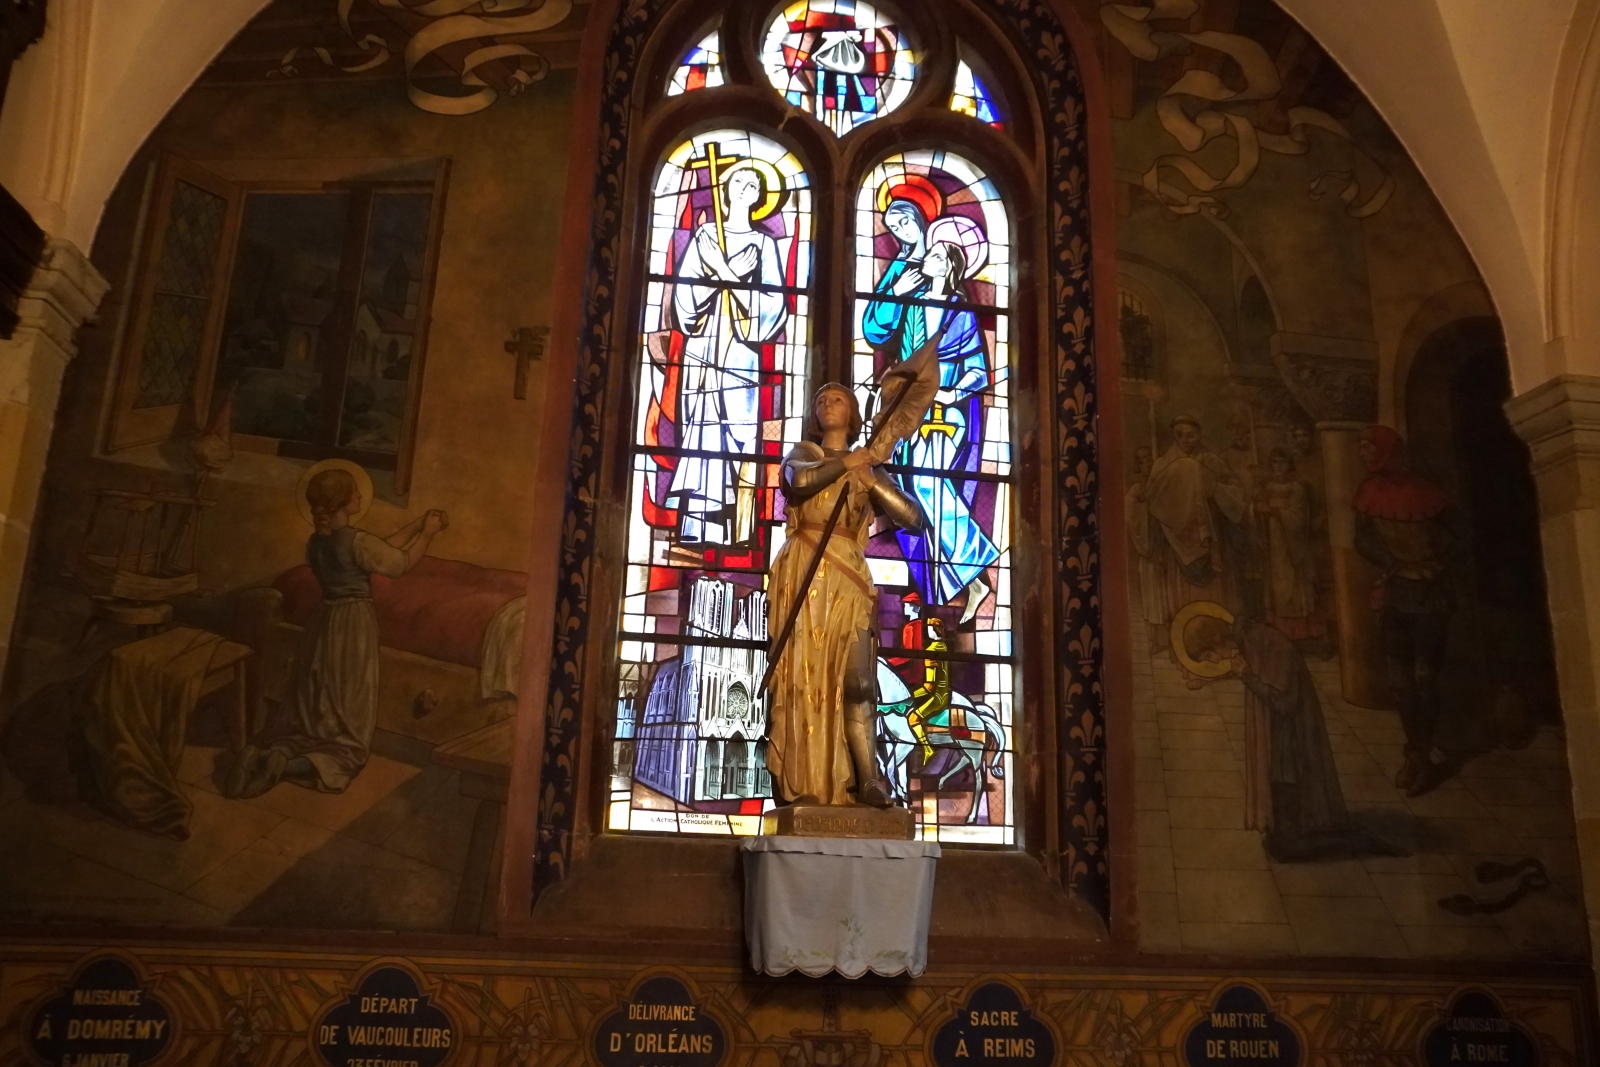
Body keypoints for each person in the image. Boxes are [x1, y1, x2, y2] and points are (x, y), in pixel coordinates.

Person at [225, 468, 448, 798]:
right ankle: (286, 767)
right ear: (344, 502)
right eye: (355, 492)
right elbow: (398, 564)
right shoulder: (357, 541)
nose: (360, 496)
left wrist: (416, 525)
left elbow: (379, 550)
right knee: (348, 731)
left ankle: (267, 753)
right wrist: (428, 534)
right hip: (353, 625)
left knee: (314, 705)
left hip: (323, 620)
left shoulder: (318, 542)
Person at [765, 384, 924, 807]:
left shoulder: (867, 465)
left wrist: (871, 478)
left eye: (837, 398)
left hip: (848, 575)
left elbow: (913, 519)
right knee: (803, 677)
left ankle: (867, 779)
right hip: (804, 570)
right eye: (820, 399)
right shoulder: (804, 451)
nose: (826, 402)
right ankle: (804, 784)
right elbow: (799, 480)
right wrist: (848, 463)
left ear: (853, 414)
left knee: (858, 681)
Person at [1182, 607, 1404, 862]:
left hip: (1291, 748)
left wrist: (1246, 675)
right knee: (1277, 842)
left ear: (1219, 639)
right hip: (1280, 745)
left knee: (1286, 848)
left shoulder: (1267, 642)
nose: (1213, 662)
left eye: (1209, 655)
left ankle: (1357, 841)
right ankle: (1329, 833)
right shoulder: (1249, 642)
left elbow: (1284, 703)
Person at [868, 222, 1000, 622]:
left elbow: (977, 370)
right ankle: (958, 581)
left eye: (936, 256)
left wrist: (949, 393)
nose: (928, 258)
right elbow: (877, 329)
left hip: (946, 416)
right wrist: (896, 293)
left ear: (948, 267)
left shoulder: (960, 314)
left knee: (928, 485)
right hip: (908, 413)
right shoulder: (911, 303)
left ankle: (973, 576)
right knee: (917, 489)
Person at [668, 161, 789, 546]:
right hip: (703, 348)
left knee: (737, 436)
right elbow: (682, 298)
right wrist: (723, 274)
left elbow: (774, 307)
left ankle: (734, 530)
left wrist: (725, 274)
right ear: (726, 188)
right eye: (738, 180)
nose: (745, 187)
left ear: (759, 198)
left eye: (753, 184)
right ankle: (695, 528)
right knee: (701, 434)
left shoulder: (765, 245)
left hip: (740, 354)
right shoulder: (704, 236)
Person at [1353, 424, 1462, 797]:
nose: (1363, 453)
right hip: (1397, 593)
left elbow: (1463, 535)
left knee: (1425, 677)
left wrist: (1435, 563)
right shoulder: (1368, 492)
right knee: (1400, 684)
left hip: (1431, 596)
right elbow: (1362, 539)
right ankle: (1416, 755)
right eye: (1361, 447)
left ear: (1387, 450)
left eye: (1369, 447)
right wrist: (1391, 563)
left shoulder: (1428, 493)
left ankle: (1423, 751)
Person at [1142, 414, 1250, 685]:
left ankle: (1227, 662)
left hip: (1212, 544)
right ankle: (1191, 667)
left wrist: (1211, 489)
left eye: (1191, 434)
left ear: (1199, 436)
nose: (1186, 440)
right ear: (1173, 437)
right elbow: (1153, 503)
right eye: (1179, 435)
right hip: (1178, 550)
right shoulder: (1161, 465)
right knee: (1184, 604)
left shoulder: (1212, 463)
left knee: (1217, 601)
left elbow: (1235, 495)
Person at [1256, 447, 1322, 640]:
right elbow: (1257, 511)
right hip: (1272, 545)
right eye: (1275, 462)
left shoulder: (1297, 488)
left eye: (1282, 463)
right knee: (1276, 588)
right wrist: (1257, 505)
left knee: (1293, 587)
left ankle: (1299, 634)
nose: (1278, 467)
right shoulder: (1266, 487)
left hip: (1291, 546)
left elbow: (1298, 518)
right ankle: (1278, 632)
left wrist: (1272, 511)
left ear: (1289, 465)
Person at [1125, 446, 1175, 653]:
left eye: (1149, 460)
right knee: (1153, 595)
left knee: (1170, 594)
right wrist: (1144, 506)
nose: (1147, 464)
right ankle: (1157, 640)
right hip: (1150, 550)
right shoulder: (1138, 490)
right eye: (1142, 461)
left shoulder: (1165, 485)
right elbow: (1129, 511)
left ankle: (1175, 637)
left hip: (1169, 548)